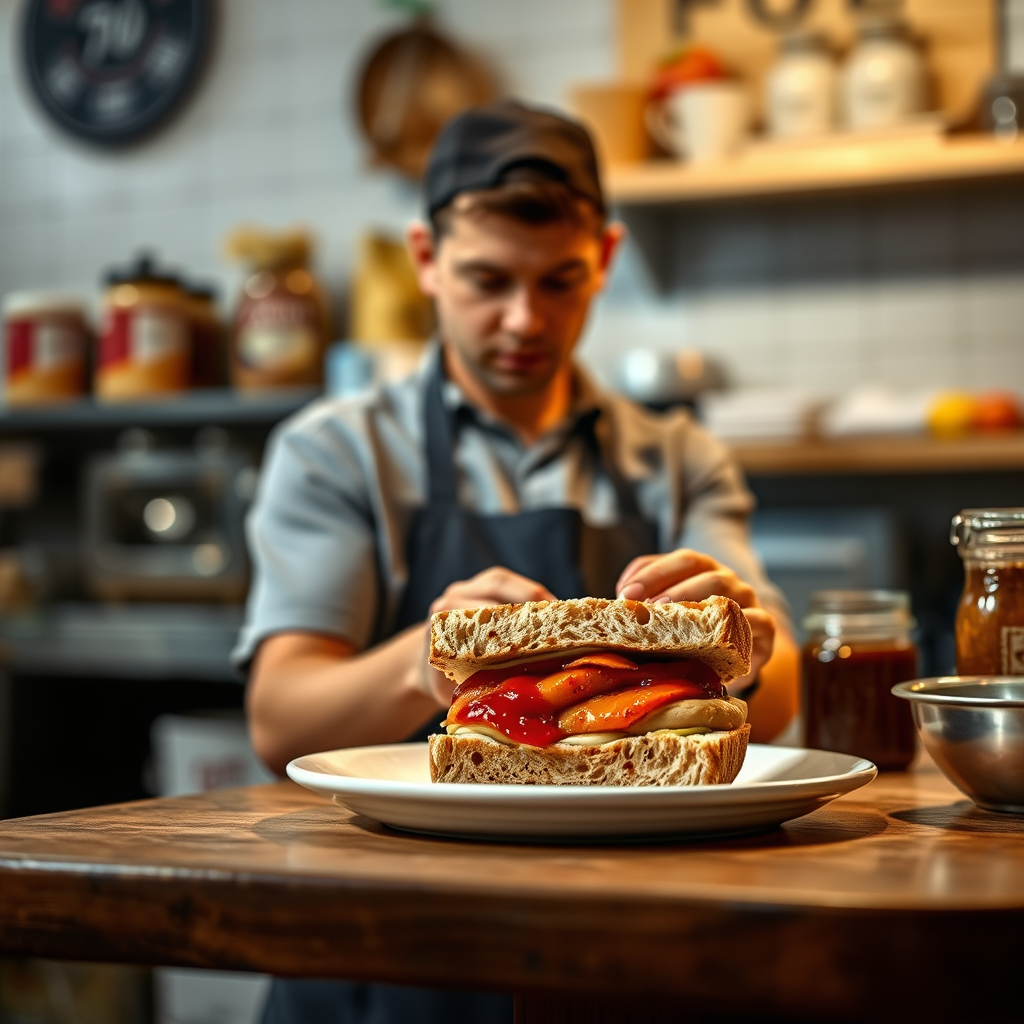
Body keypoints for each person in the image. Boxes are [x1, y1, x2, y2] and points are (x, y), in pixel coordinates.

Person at [237, 100, 799, 1024]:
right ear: (425, 259)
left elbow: (778, 705)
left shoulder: (678, 457)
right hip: (386, 947)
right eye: (486, 280)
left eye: (560, 281)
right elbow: (278, 717)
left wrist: (740, 640)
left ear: (606, 259)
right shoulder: (336, 451)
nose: (523, 319)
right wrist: (432, 658)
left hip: (628, 944)